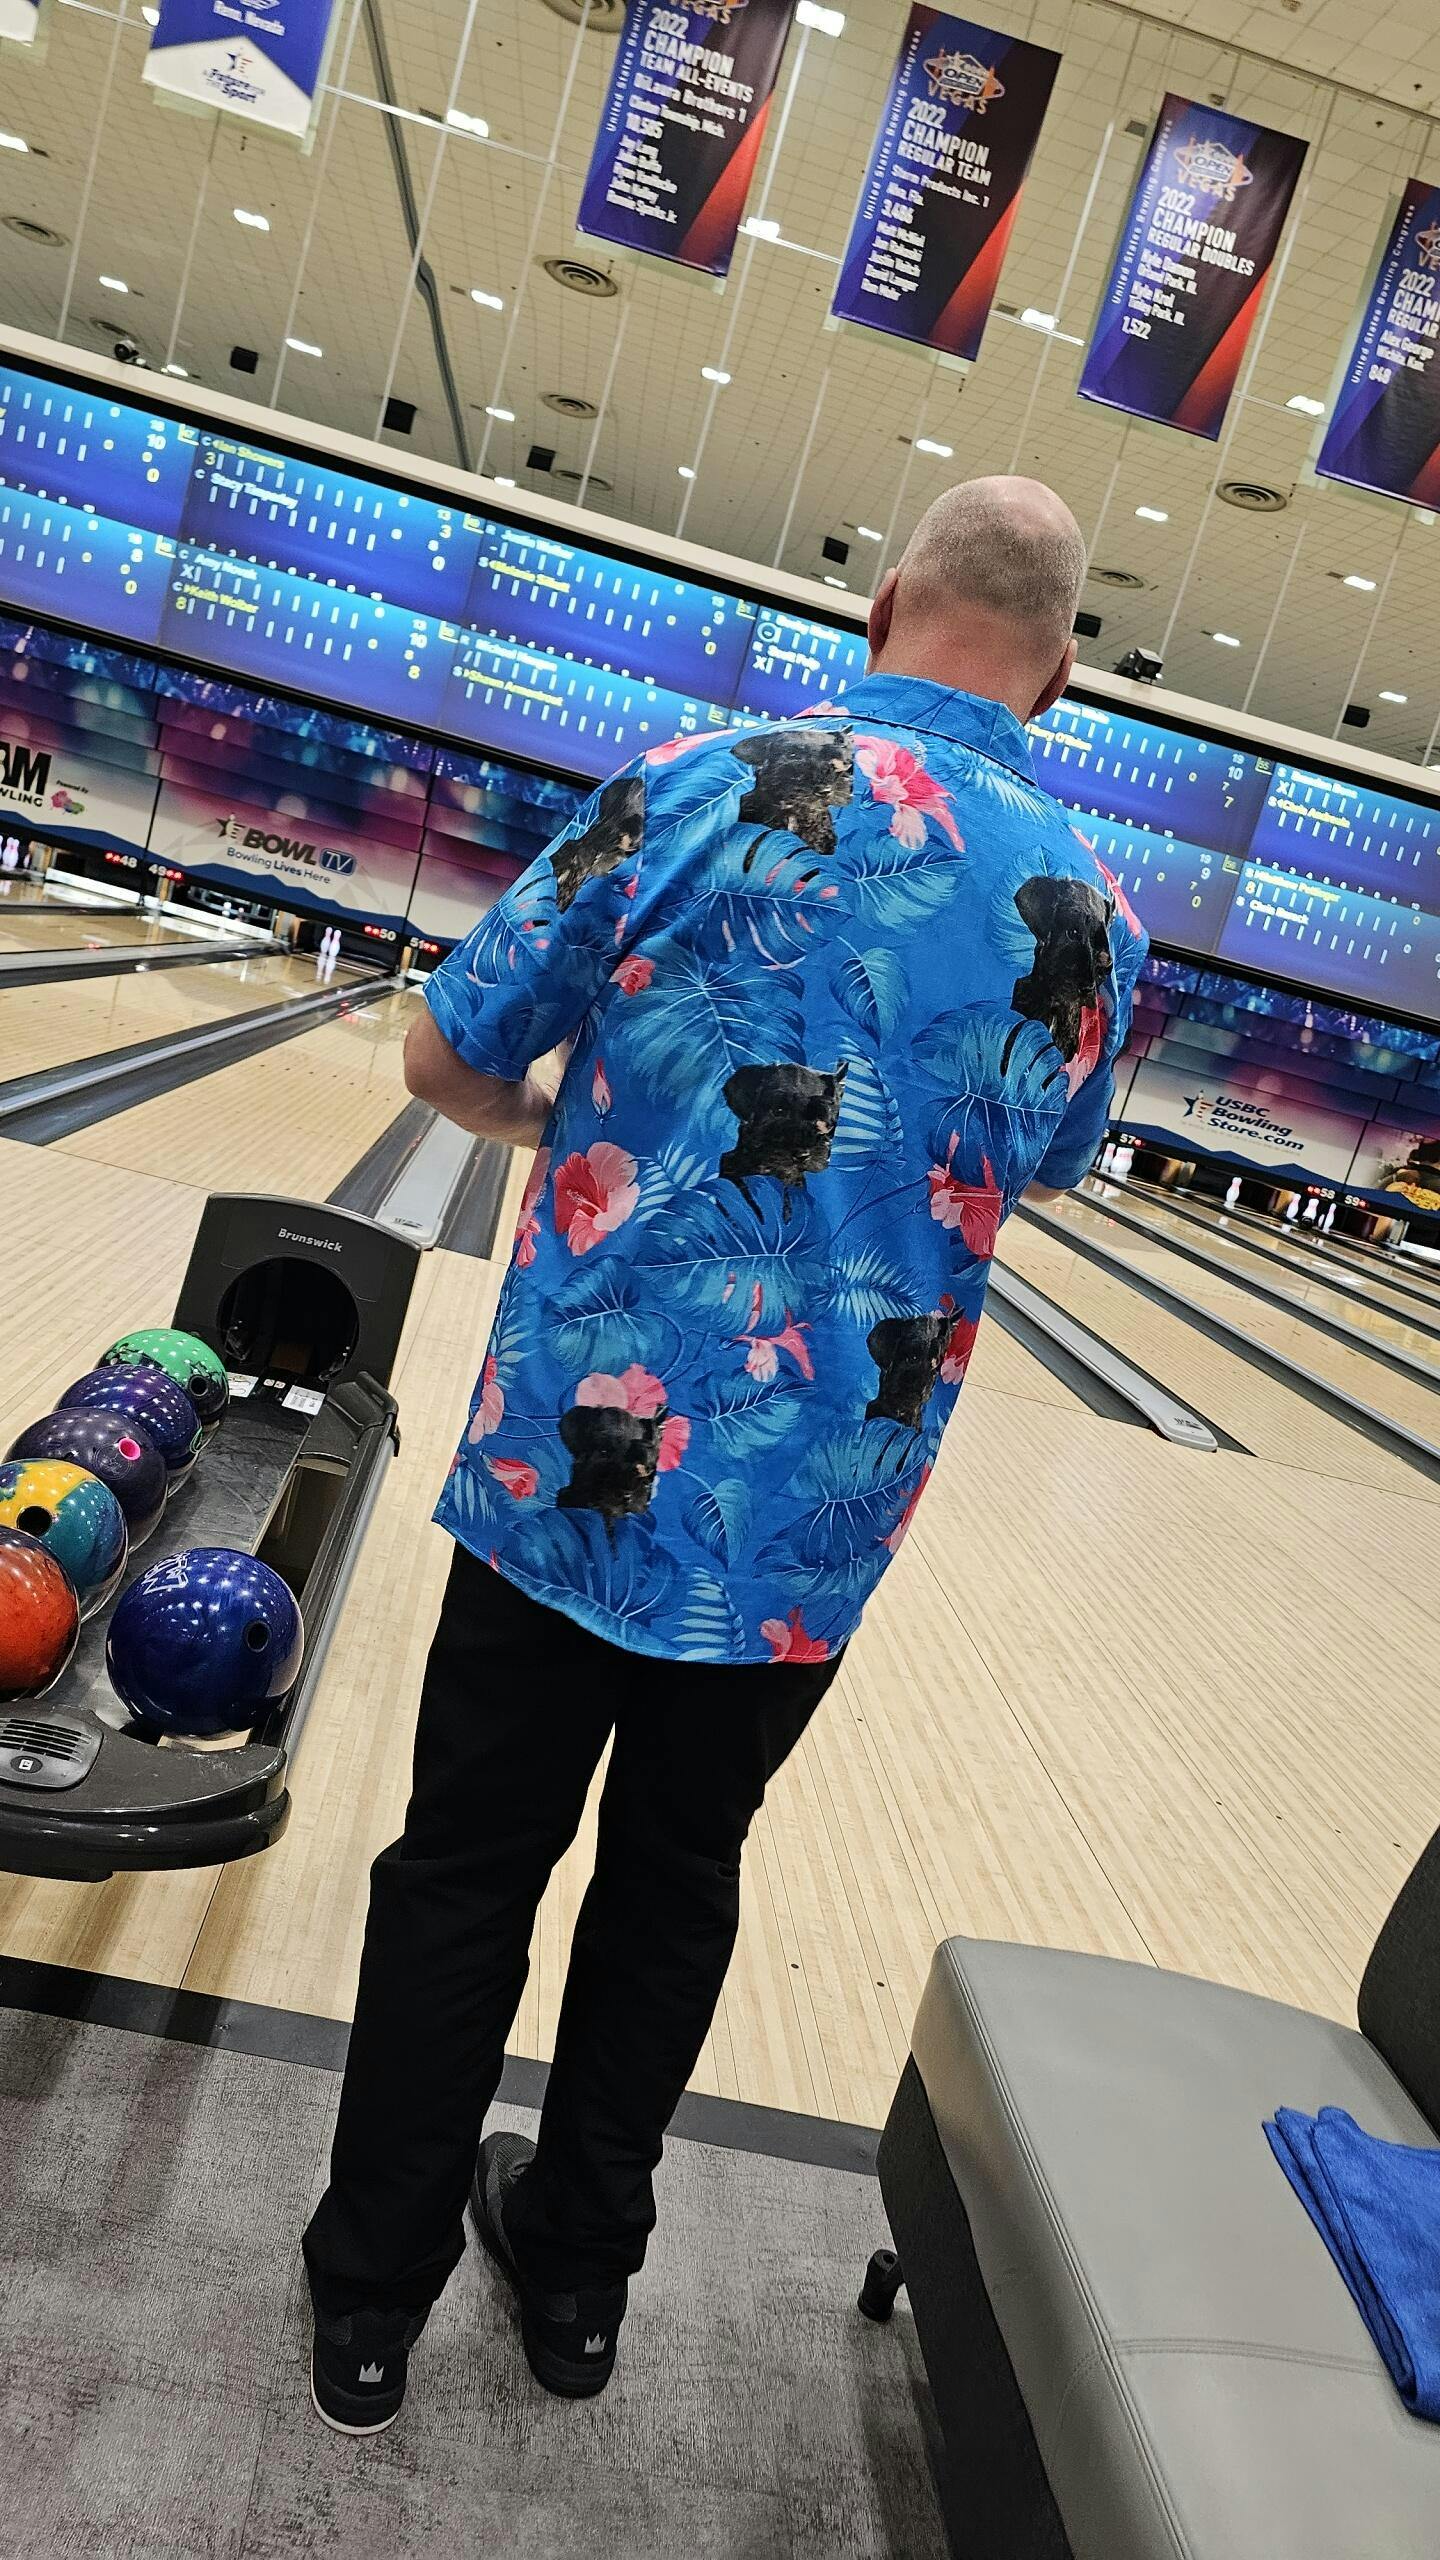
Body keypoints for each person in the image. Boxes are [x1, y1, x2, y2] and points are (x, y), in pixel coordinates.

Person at [303, 474, 1149, 2433]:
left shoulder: (689, 784)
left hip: (568, 1465)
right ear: (1061, 675)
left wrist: (563, 1135)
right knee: (681, 1875)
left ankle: (369, 2302)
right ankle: (578, 2284)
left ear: (884, 599)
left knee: (466, 1865)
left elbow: (442, 1054)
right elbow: (1044, 1163)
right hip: (810, 1517)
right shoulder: (1092, 920)